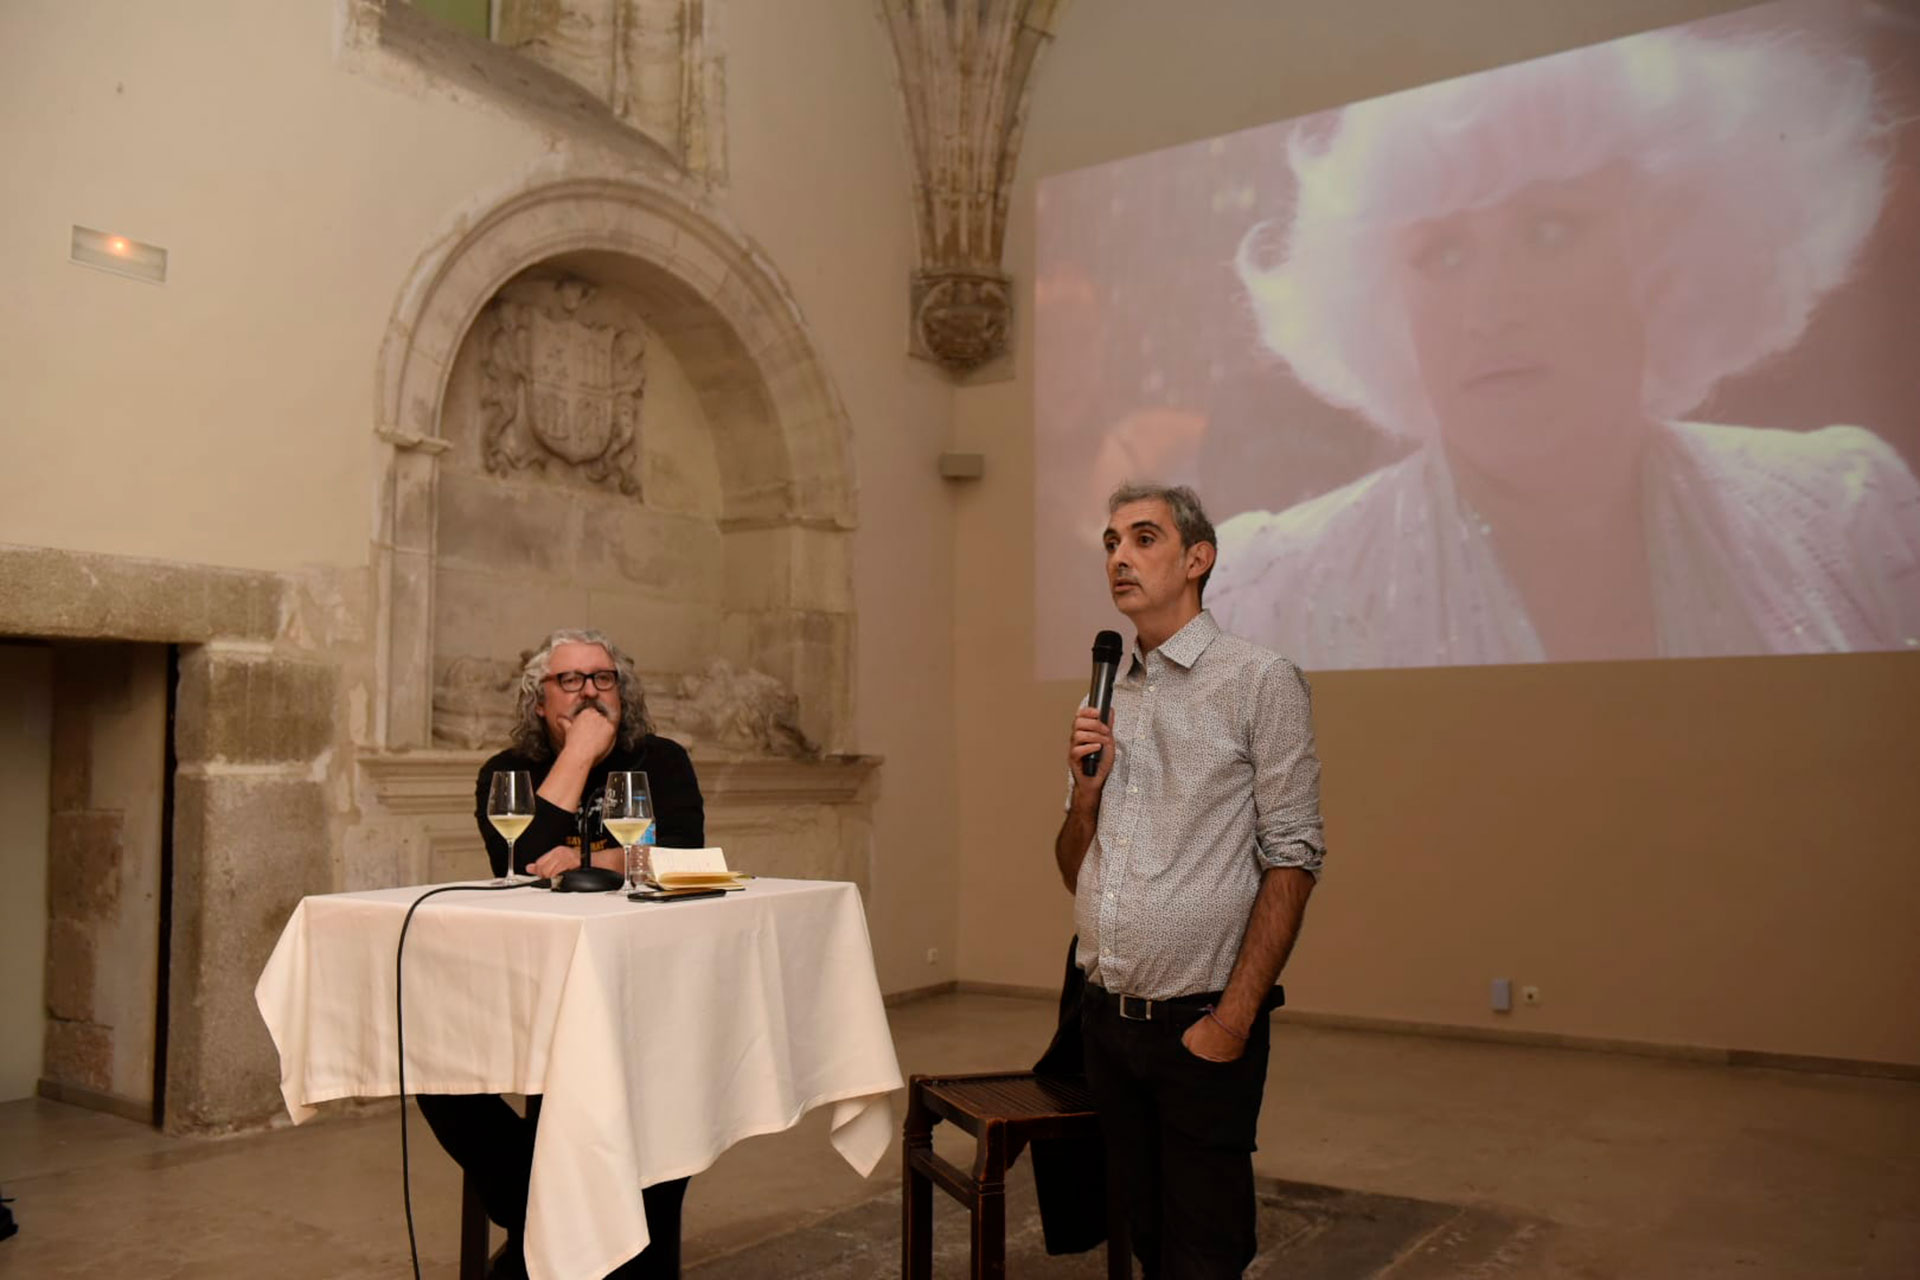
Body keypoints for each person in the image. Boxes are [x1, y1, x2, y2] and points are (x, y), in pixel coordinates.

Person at [1215, 20, 1920, 667]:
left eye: (1549, 231)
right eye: (1442, 254)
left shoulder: (1851, 520)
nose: (1489, 311)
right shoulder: (1269, 600)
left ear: (1666, 252)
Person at [1056, 483, 1325, 1277]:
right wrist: (1084, 800)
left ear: (1198, 558)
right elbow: (1075, 871)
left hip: (1200, 1024)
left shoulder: (1259, 680)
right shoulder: (1103, 698)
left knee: (1205, 1253)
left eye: (1144, 538)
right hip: (1107, 1022)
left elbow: (1294, 857)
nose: (1120, 557)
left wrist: (1232, 1022)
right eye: (1111, 543)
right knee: (1148, 1238)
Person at [419, 627, 705, 1280]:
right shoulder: (506, 773)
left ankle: (549, 1244)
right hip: (536, 986)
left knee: (657, 1104)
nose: (590, 692)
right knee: (434, 1065)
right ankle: (553, 1221)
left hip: (644, 984)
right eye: (569, 680)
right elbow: (522, 864)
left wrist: (586, 858)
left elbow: (684, 854)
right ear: (539, 699)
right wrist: (577, 755)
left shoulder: (661, 760)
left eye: (603, 678)